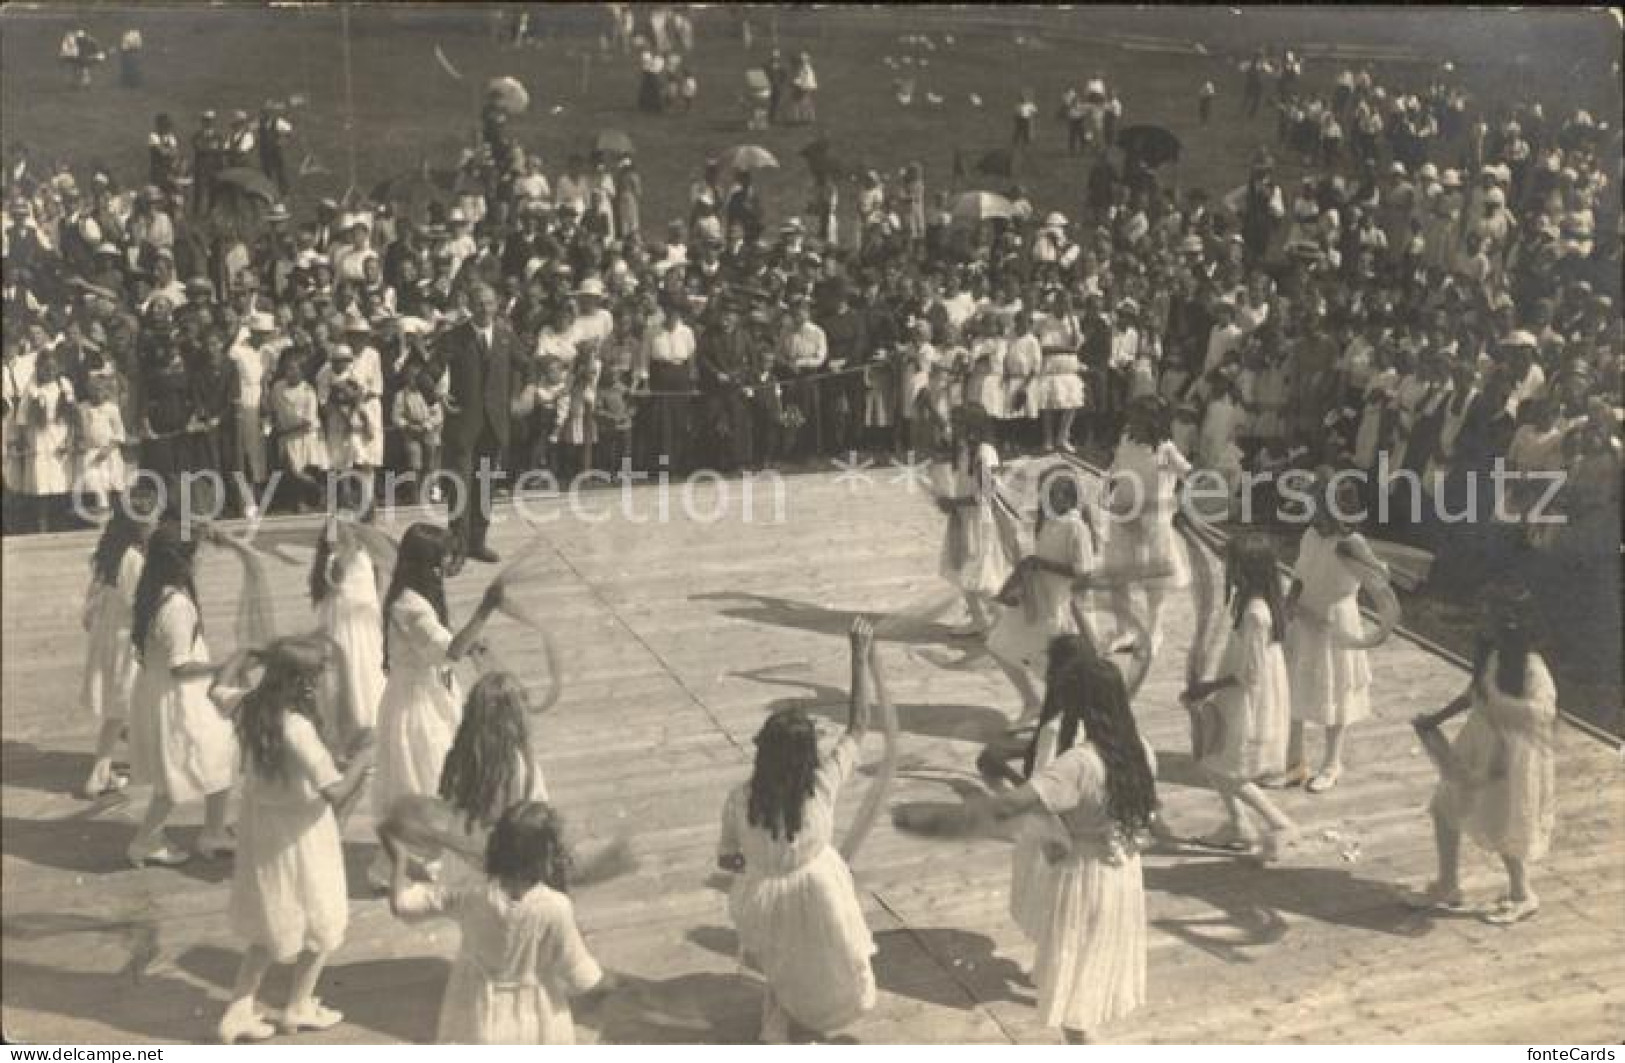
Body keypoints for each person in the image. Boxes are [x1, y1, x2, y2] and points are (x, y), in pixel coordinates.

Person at [967, 630, 1158, 1043]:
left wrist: (998, 773)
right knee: (1088, 974)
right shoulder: (1141, 748)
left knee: (1075, 1001)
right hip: (1122, 873)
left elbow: (1014, 804)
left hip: (1083, 878)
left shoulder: (1077, 764)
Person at [717, 618, 881, 1043]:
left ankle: (779, 1018)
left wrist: (756, 861)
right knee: (830, 957)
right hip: (820, 890)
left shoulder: (740, 798)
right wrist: (858, 655)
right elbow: (860, 724)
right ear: (808, 755)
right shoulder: (822, 786)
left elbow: (727, 857)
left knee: (780, 961)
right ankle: (816, 1016)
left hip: (764, 894)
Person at [213, 635, 376, 1043]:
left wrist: (245, 653)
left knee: (273, 916)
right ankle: (299, 1004)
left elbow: (215, 689)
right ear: (302, 683)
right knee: (323, 912)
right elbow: (335, 791)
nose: (321, 683)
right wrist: (364, 759)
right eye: (317, 676)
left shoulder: (250, 705)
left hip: (262, 828)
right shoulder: (297, 727)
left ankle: (238, 1009)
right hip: (302, 832)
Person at [386, 801, 608, 1044]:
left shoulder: (471, 893)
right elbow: (578, 972)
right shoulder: (556, 907)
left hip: (476, 1012)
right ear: (548, 856)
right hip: (536, 1016)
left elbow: (402, 905)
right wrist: (605, 986)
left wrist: (399, 860)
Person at [1410, 589, 1556, 925]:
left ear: (1510, 624)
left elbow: (1541, 713)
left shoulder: (1532, 668)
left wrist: (1500, 708)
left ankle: (1522, 893)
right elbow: (1473, 693)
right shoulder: (1493, 655)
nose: (1481, 623)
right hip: (1477, 743)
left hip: (1509, 757)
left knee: (1504, 821)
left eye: (1488, 616)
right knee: (1445, 807)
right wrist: (1435, 719)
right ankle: (1447, 884)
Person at [370, 523, 502, 888]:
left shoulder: (416, 594)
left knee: (430, 779)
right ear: (428, 561)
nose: (450, 561)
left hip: (430, 695)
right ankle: (409, 863)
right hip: (417, 706)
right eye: (445, 554)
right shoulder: (410, 606)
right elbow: (451, 650)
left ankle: (419, 858)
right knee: (424, 780)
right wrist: (485, 610)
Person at [125, 521, 238, 866]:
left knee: (219, 755)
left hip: (163, 693)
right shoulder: (176, 606)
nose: (200, 560)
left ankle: (214, 830)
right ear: (181, 562)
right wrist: (219, 667)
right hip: (181, 698)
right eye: (196, 555)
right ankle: (145, 840)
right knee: (177, 771)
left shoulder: (152, 592)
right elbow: (179, 665)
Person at [1180, 534, 1298, 859]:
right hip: (1239, 692)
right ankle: (1238, 825)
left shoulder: (1256, 615)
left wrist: (1205, 688)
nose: (1226, 569)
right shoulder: (1250, 600)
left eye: (1231, 565)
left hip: (1247, 699)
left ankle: (1279, 822)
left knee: (1226, 767)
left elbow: (1251, 674)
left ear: (1245, 570)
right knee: (1211, 756)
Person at [1271, 479, 1386, 793]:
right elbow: (1299, 575)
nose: (1311, 513)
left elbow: (1380, 578)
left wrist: (1368, 573)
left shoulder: (1352, 543)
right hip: (1304, 616)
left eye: (1318, 507)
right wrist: (1290, 602)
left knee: (1334, 690)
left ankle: (1332, 763)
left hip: (1335, 620)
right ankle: (1294, 763)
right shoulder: (1311, 535)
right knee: (1296, 686)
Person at [987, 467, 1098, 721]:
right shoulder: (1047, 522)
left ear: (1069, 498)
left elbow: (1084, 572)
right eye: (1044, 492)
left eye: (1054, 493)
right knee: (998, 645)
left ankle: (1070, 712)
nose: (1046, 498)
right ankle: (1033, 702)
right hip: (1035, 600)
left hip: (1058, 604)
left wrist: (1041, 564)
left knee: (1050, 662)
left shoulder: (1076, 527)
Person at [438, 283, 519, 564]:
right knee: (460, 484)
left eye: (489, 303)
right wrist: (437, 393)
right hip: (463, 423)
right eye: (479, 303)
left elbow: (529, 366)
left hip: (493, 425)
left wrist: (529, 391)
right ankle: (457, 545)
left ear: (497, 305)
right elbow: (429, 372)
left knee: (484, 484)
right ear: (469, 306)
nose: (485, 309)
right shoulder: (453, 338)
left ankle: (477, 542)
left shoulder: (506, 337)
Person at [1102, 397, 1191, 655]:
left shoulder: (1166, 450)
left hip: (1154, 524)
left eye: (1139, 419)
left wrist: (1180, 503)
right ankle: (1124, 630)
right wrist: (1108, 492)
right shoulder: (1126, 442)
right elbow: (1116, 470)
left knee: (1154, 581)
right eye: (1132, 418)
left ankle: (1155, 631)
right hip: (1123, 519)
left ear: (1153, 423)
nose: (1132, 424)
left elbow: (1190, 475)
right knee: (1118, 578)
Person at [78, 507, 149, 798]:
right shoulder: (133, 560)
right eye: (149, 522)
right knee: (121, 705)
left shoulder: (108, 554)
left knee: (125, 703)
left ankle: (137, 749)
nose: (153, 527)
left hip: (107, 635)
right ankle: (98, 773)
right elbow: (138, 603)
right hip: (125, 639)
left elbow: (88, 610)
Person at [935, 406, 1014, 635]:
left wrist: (955, 503)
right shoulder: (963, 450)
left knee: (982, 574)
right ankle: (979, 619)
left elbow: (988, 494)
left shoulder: (984, 452)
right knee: (962, 567)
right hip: (963, 517)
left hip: (980, 520)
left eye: (957, 423)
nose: (952, 427)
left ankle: (1003, 622)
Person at [309, 515, 386, 743]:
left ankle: (370, 723)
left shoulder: (363, 556)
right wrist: (349, 546)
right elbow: (339, 573)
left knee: (367, 669)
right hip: (346, 632)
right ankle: (354, 726)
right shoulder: (335, 561)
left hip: (366, 629)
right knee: (352, 671)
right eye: (343, 531)